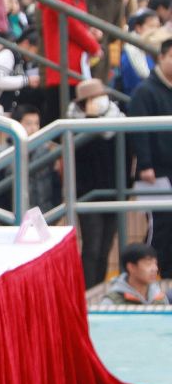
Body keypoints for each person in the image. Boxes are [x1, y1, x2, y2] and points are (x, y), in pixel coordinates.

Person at [65, 78, 127, 288]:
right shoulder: (73, 125)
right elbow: (81, 156)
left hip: (114, 191)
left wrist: (126, 188)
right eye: (91, 99)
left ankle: (98, 289)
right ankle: (87, 292)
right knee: (92, 246)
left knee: (105, 247)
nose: (97, 101)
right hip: (87, 193)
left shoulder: (118, 120)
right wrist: (90, 120)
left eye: (99, 97)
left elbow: (127, 155)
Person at [36, 0, 100, 124]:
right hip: (68, 66)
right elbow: (74, 27)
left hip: (66, 65)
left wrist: (90, 34)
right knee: (63, 115)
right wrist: (94, 47)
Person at [127, 37, 172, 270]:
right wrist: (145, 165)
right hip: (154, 172)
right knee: (159, 225)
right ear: (161, 58)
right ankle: (147, 272)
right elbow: (139, 130)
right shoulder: (145, 91)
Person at [0, 26, 42, 113]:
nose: (35, 56)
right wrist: (27, 80)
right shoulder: (8, 54)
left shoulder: (22, 59)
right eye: (35, 51)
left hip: (9, 111)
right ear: (26, 43)